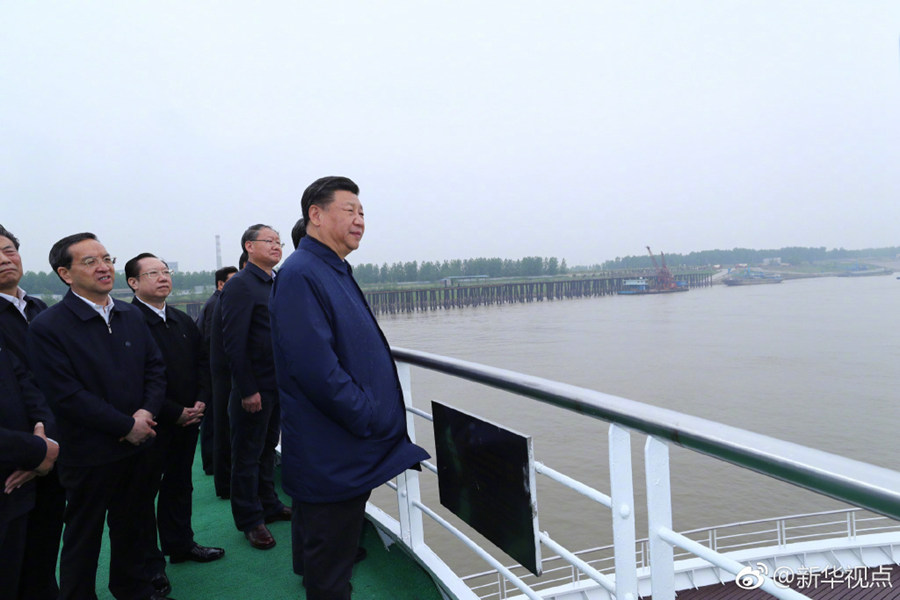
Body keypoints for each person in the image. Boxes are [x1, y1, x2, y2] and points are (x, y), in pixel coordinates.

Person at [270, 176, 429, 599]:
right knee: (331, 563)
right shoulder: (302, 274)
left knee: (329, 548)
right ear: (316, 215)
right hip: (334, 445)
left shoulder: (330, 268)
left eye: (362, 213)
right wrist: (366, 415)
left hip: (340, 442)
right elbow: (315, 368)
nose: (359, 220)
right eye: (349, 210)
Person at [27, 232, 170, 600]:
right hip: (88, 453)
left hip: (137, 447)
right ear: (65, 274)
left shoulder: (129, 314)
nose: (104, 267)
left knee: (133, 526)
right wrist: (126, 426)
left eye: (106, 259)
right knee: (83, 534)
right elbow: (66, 395)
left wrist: (145, 413)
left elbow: (155, 369)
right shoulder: (49, 326)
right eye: (89, 262)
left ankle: (133, 590)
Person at [125, 253, 226, 595]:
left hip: (188, 419)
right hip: (151, 424)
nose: (163, 277)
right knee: (144, 494)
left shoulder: (181, 320)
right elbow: (135, 379)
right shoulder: (128, 322)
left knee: (180, 484)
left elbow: (202, 363)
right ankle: (151, 565)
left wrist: (201, 401)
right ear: (133, 283)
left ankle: (181, 544)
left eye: (166, 272)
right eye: (153, 273)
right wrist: (173, 412)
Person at [0, 224, 66, 599]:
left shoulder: (39, 309)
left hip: (51, 452)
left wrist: (47, 447)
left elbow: (56, 382)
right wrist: (33, 451)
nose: (3, 259)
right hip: (13, 466)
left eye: (9, 249)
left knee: (43, 557)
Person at [219, 225, 290, 549]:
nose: (276, 246)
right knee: (247, 455)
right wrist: (247, 389)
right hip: (255, 387)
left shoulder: (275, 282)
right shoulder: (241, 285)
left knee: (266, 449)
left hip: (277, 384)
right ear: (249, 246)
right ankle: (250, 520)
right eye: (269, 241)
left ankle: (269, 504)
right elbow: (234, 343)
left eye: (278, 241)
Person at [0, 332, 59, 600]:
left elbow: (27, 385)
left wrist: (45, 436)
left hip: (22, 488)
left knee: (32, 577)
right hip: (16, 473)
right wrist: (37, 451)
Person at [196, 265, 238, 476]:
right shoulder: (217, 304)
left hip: (214, 371)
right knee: (214, 418)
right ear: (221, 284)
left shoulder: (216, 302)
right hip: (214, 372)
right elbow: (212, 341)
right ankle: (213, 463)